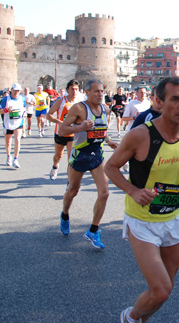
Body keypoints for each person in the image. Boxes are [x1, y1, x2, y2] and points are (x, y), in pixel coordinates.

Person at [104, 76, 179, 323]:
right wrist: (133, 191)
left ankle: (140, 320)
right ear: (159, 102)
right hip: (142, 220)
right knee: (161, 289)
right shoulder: (139, 135)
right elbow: (111, 167)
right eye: (175, 99)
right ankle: (130, 318)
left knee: (163, 291)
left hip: (171, 219)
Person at [57, 79, 117, 248]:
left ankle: (93, 230)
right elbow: (62, 129)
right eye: (96, 91)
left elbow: (101, 130)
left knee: (104, 193)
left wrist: (109, 141)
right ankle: (65, 215)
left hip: (97, 156)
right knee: (73, 191)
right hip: (80, 156)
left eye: (102, 91)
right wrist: (80, 127)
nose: (100, 94)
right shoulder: (79, 108)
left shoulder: (105, 109)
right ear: (88, 92)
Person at [47, 80, 82, 180]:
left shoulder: (79, 102)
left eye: (76, 89)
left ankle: (69, 182)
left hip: (72, 135)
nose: (74, 91)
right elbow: (48, 115)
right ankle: (55, 167)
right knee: (58, 156)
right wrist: (59, 122)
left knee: (71, 159)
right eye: (72, 89)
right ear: (68, 89)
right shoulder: (61, 100)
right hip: (60, 133)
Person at [0, 83, 26, 168]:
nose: (16, 92)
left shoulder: (22, 99)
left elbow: (23, 109)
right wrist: (6, 110)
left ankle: (16, 159)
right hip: (8, 124)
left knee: (17, 140)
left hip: (18, 123)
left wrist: (24, 114)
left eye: (18, 90)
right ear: (11, 90)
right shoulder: (5, 99)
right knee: (8, 142)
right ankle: (9, 156)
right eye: (15, 90)